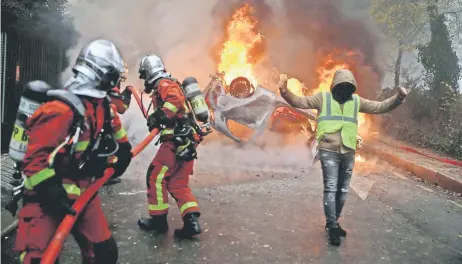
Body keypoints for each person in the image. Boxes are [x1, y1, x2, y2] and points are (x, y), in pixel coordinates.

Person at [14, 39, 132, 263]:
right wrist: (50, 191)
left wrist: (122, 154)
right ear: (100, 75)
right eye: (113, 77)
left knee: (103, 254)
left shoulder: (102, 105)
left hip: (83, 191)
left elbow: (120, 139)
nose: (116, 83)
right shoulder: (60, 110)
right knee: (39, 258)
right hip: (45, 196)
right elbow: (34, 161)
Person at [278, 69, 408, 246]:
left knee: (343, 191)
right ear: (334, 86)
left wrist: (398, 98)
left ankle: (334, 221)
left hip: (348, 151)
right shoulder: (322, 98)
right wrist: (284, 91)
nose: (345, 90)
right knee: (331, 188)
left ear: (352, 88)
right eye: (342, 86)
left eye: (348, 87)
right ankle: (332, 227)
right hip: (328, 150)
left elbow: (379, 107)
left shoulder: (355, 101)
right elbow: (299, 101)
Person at [136, 54, 202, 238]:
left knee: (155, 176)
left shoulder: (163, 84)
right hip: (187, 140)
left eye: (143, 75)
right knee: (178, 183)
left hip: (175, 141)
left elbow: (175, 102)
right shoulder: (168, 83)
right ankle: (191, 222)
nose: (144, 80)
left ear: (148, 72)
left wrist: (160, 116)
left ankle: (158, 222)